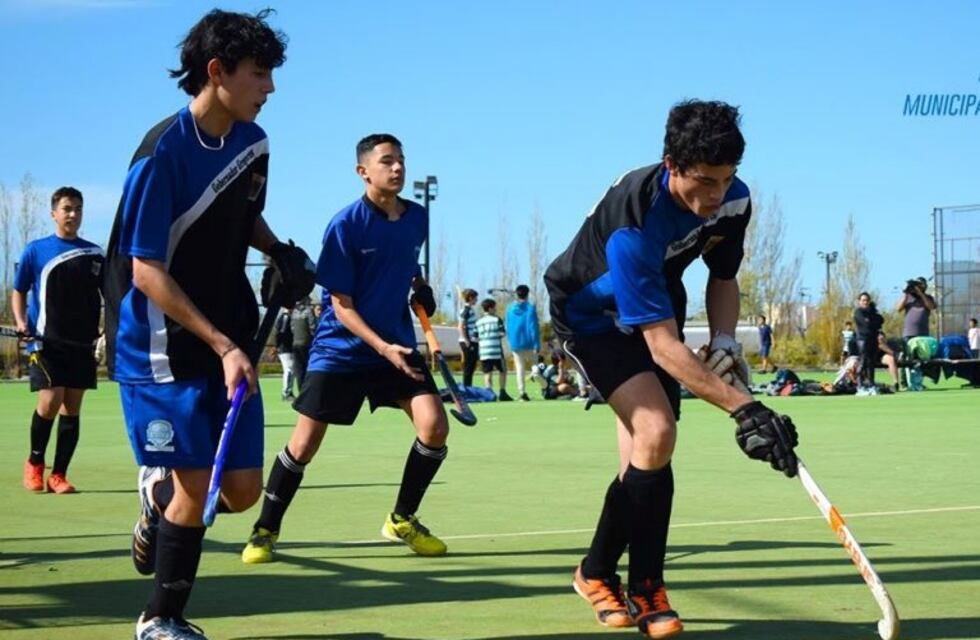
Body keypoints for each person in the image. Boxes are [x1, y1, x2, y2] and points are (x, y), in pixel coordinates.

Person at [544, 99, 799, 639]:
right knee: (656, 429)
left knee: (649, 451)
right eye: (704, 181)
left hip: (658, 298)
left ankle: (595, 573)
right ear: (671, 165)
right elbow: (662, 349)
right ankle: (646, 589)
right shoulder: (634, 224)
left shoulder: (734, 199)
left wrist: (725, 341)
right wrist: (747, 410)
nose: (715, 196)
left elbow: (723, 277)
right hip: (591, 316)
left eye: (725, 178)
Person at [101, 10, 314, 639]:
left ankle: (156, 499)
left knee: (241, 491)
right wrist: (221, 345)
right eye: (259, 73)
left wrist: (278, 251)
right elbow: (145, 271)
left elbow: (242, 214)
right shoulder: (160, 154)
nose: (270, 87)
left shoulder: (254, 143)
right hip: (160, 344)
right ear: (217, 72)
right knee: (197, 485)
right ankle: (159, 619)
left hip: (229, 333)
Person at [241, 133, 452, 564]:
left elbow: (407, 263)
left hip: (394, 344)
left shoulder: (416, 218)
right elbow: (342, 305)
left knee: (434, 427)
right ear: (363, 172)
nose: (398, 168)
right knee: (304, 445)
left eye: (401, 160)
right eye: (387, 161)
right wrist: (383, 348)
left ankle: (402, 519)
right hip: (341, 349)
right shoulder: (345, 225)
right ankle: (264, 530)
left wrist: (420, 286)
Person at [12, 186, 104, 495]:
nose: (73, 214)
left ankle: (59, 475)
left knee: (72, 407)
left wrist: (107, 331)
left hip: (82, 345)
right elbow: (19, 290)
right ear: (54, 213)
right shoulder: (36, 251)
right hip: (45, 343)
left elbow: (110, 295)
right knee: (51, 401)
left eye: (78, 208)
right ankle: (35, 463)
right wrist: (21, 322)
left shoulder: (95, 254)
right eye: (67, 208)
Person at [505, 284, 541, 401]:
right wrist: (536, 343)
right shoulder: (530, 308)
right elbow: (533, 327)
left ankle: (522, 392)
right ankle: (536, 373)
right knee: (534, 363)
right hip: (529, 341)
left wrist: (510, 341)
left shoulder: (510, 309)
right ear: (527, 294)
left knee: (519, 368)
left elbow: (507, 326)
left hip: (515, 342)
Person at [476, 298, 512, 400]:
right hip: (496, 350)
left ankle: (489, 393)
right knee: (502, 370)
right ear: (490, 308)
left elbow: (475, 336)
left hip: (484, 351)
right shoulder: (497, 319)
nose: (495, 310)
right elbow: (502, 333)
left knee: (487, 372)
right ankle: (502, 392)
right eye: (494, 308)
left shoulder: (478, 321)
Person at [853, 292, 884, 395]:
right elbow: (866, 323)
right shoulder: (858, 312)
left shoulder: (872, 312)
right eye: (863, 300)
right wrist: (873, 321)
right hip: (863, 339)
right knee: (863, 362)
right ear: (859, 301)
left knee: (871, 363)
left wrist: (873, 321)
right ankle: (860, 386)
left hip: (873, 339)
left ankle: (871, 385)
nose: (865, 302)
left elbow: (880, 320)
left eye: (867, 300)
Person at [289, 298, 316, 388]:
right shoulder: (309, 311)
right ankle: (308, 388)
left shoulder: (294, 312)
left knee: (299, 369)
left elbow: (292, 328)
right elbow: (312, 326)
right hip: (306, 343)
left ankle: (300, 389)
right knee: (308, 367)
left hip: (295, 343)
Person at [457, 288, 480, 387]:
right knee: (469, 366)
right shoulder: (466, 310)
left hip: (473, 340)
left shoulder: (470, 310)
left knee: (472, 365)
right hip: (468, 341)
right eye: (475, 298)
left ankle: (468, 386)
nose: (476, 300)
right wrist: (466, 339)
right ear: (470, 298)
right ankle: (466, 388)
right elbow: (460, 326)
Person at [274, 306, 295, 400]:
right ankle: (286, 393)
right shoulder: (285, 317)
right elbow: (280, 333)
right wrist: (277, 346)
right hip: (285, 348)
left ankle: (288, 392)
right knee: (289, 369)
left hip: (287, 347)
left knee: (290, 370)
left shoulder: (286, 317)